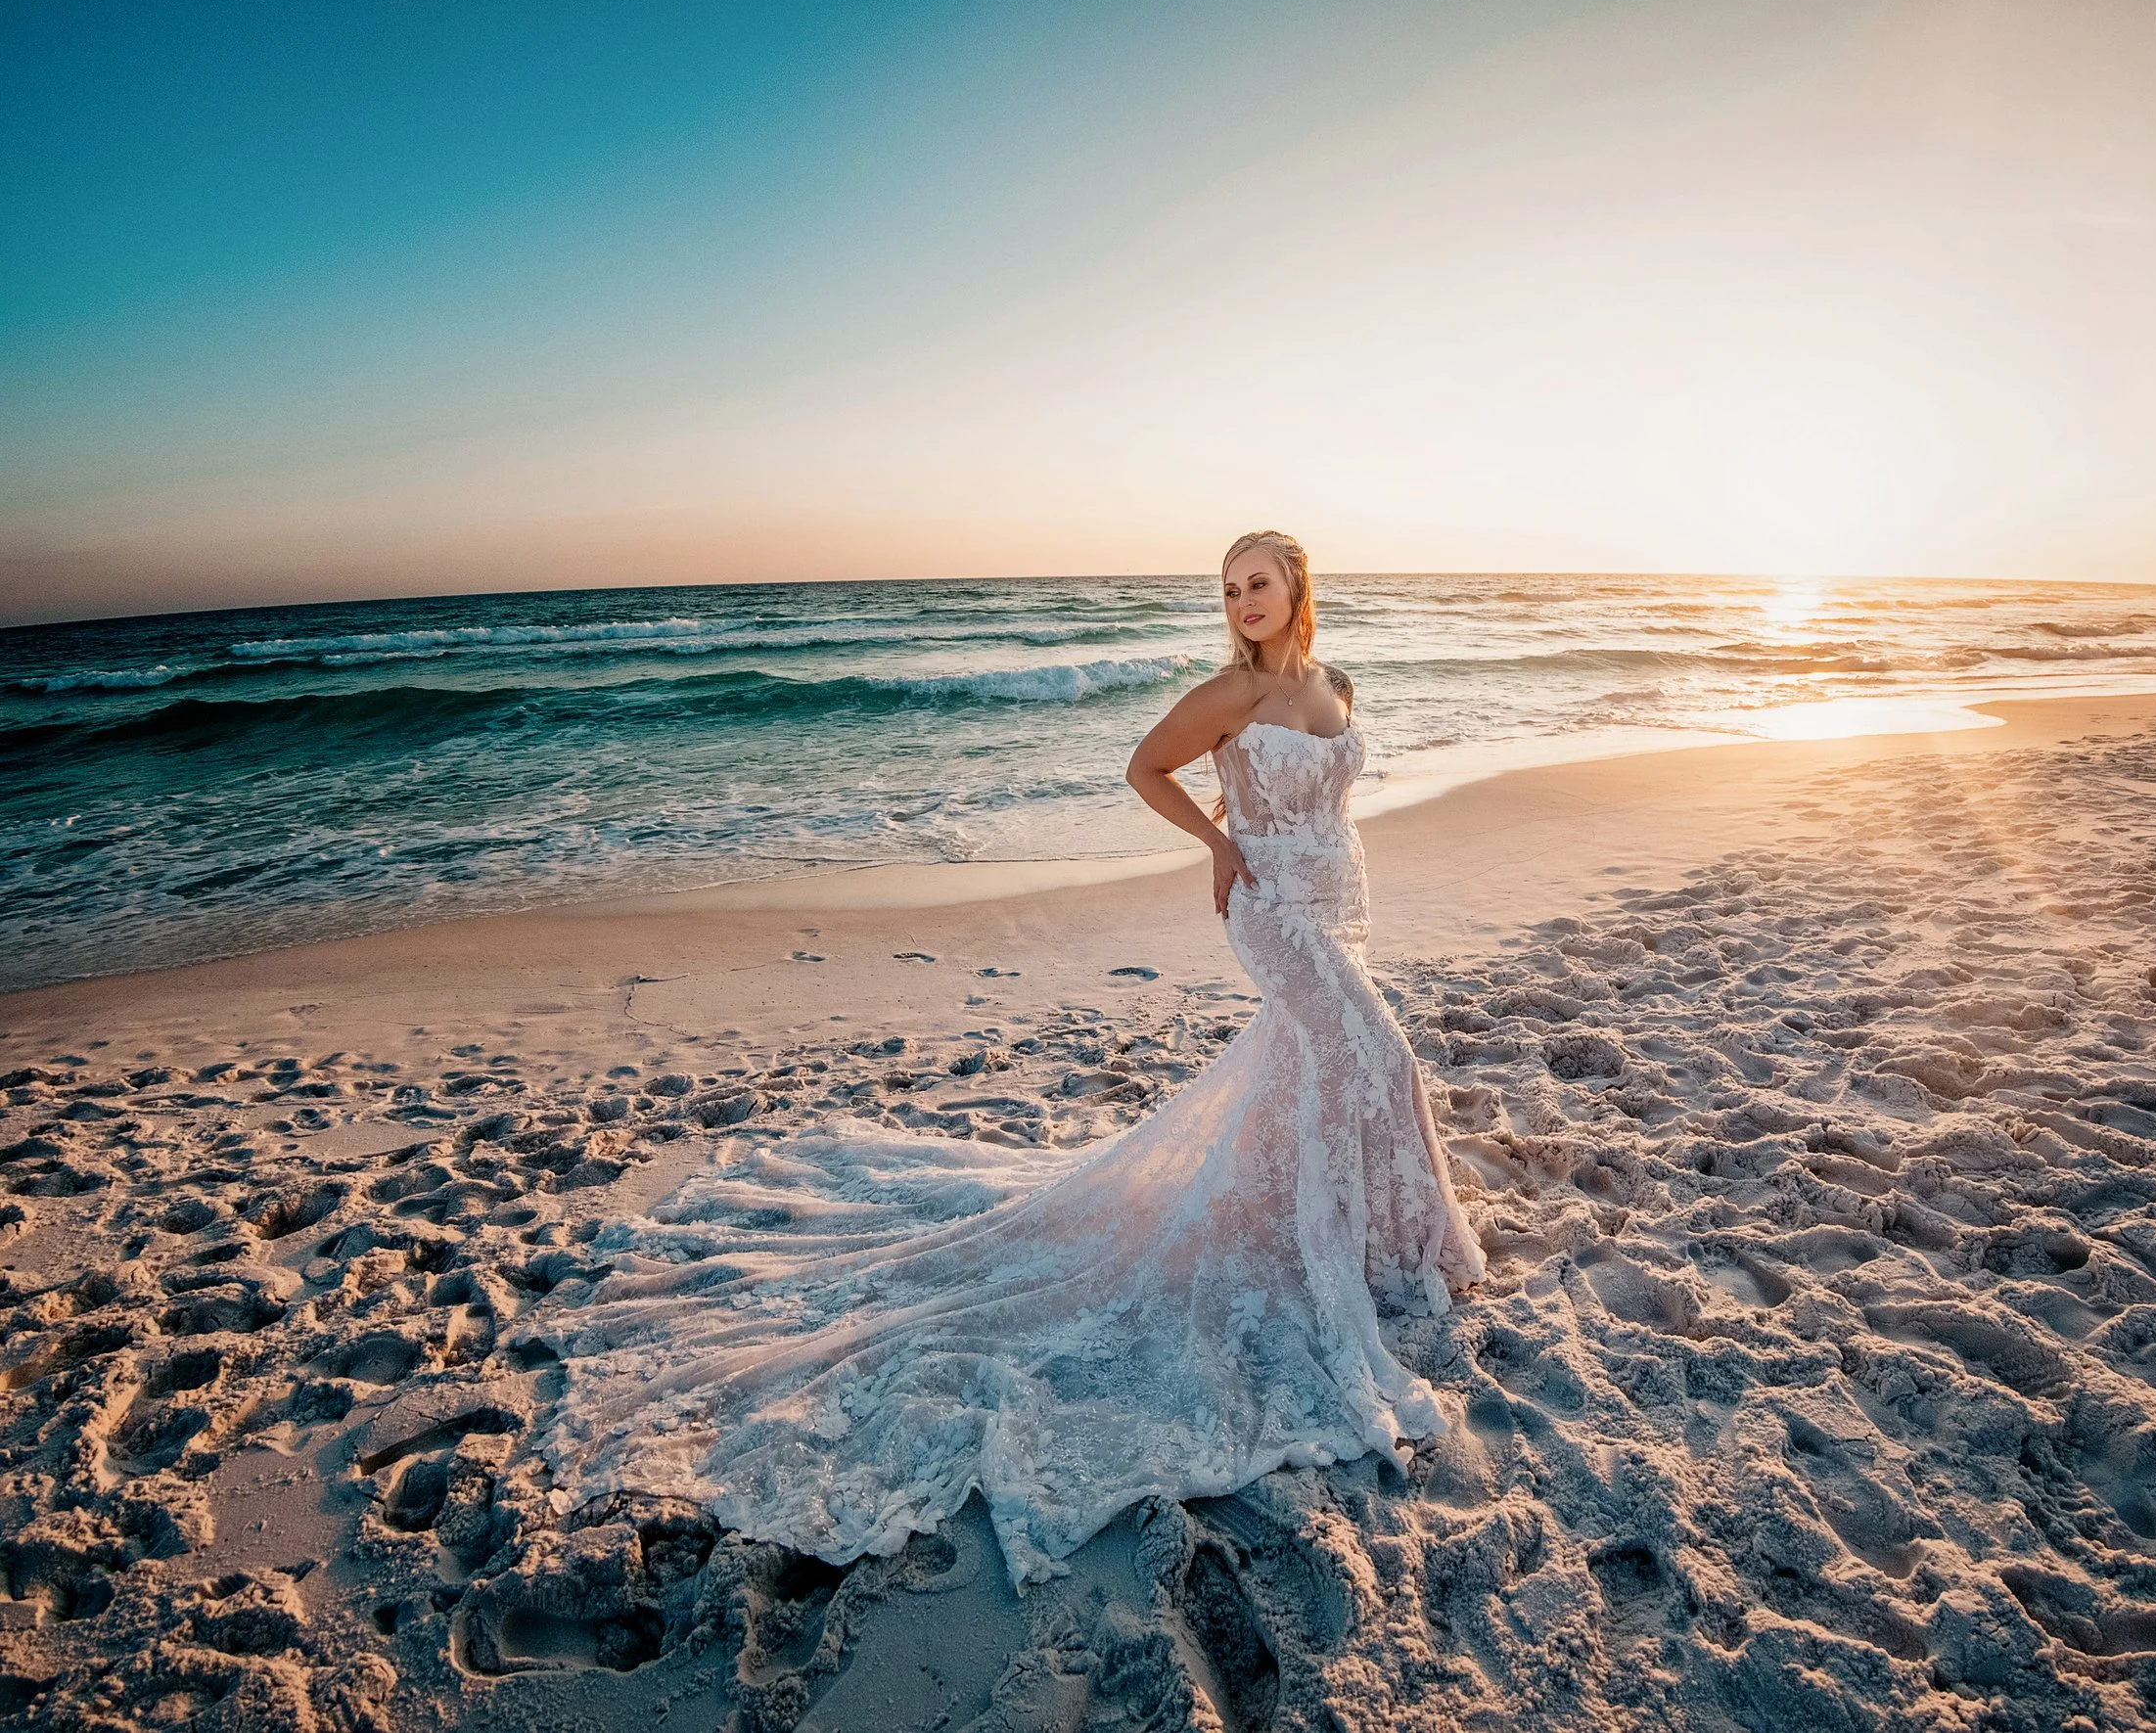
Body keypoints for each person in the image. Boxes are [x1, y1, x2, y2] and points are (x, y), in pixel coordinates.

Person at [538, 530, 1486, 1589]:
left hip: (1339, 897)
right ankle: (1362, 1244)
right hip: (1267, 905)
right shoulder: (1227, 693)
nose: (1242, 599)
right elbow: (1143, 767)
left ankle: (1339, 1232)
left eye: (1258, 582)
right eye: (1228, 588)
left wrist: (1317, 854)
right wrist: (1220, 845)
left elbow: (1332, 799)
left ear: (1296, 584)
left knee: (1314, 1068)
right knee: (1379, 1056)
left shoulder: (1337, 682)